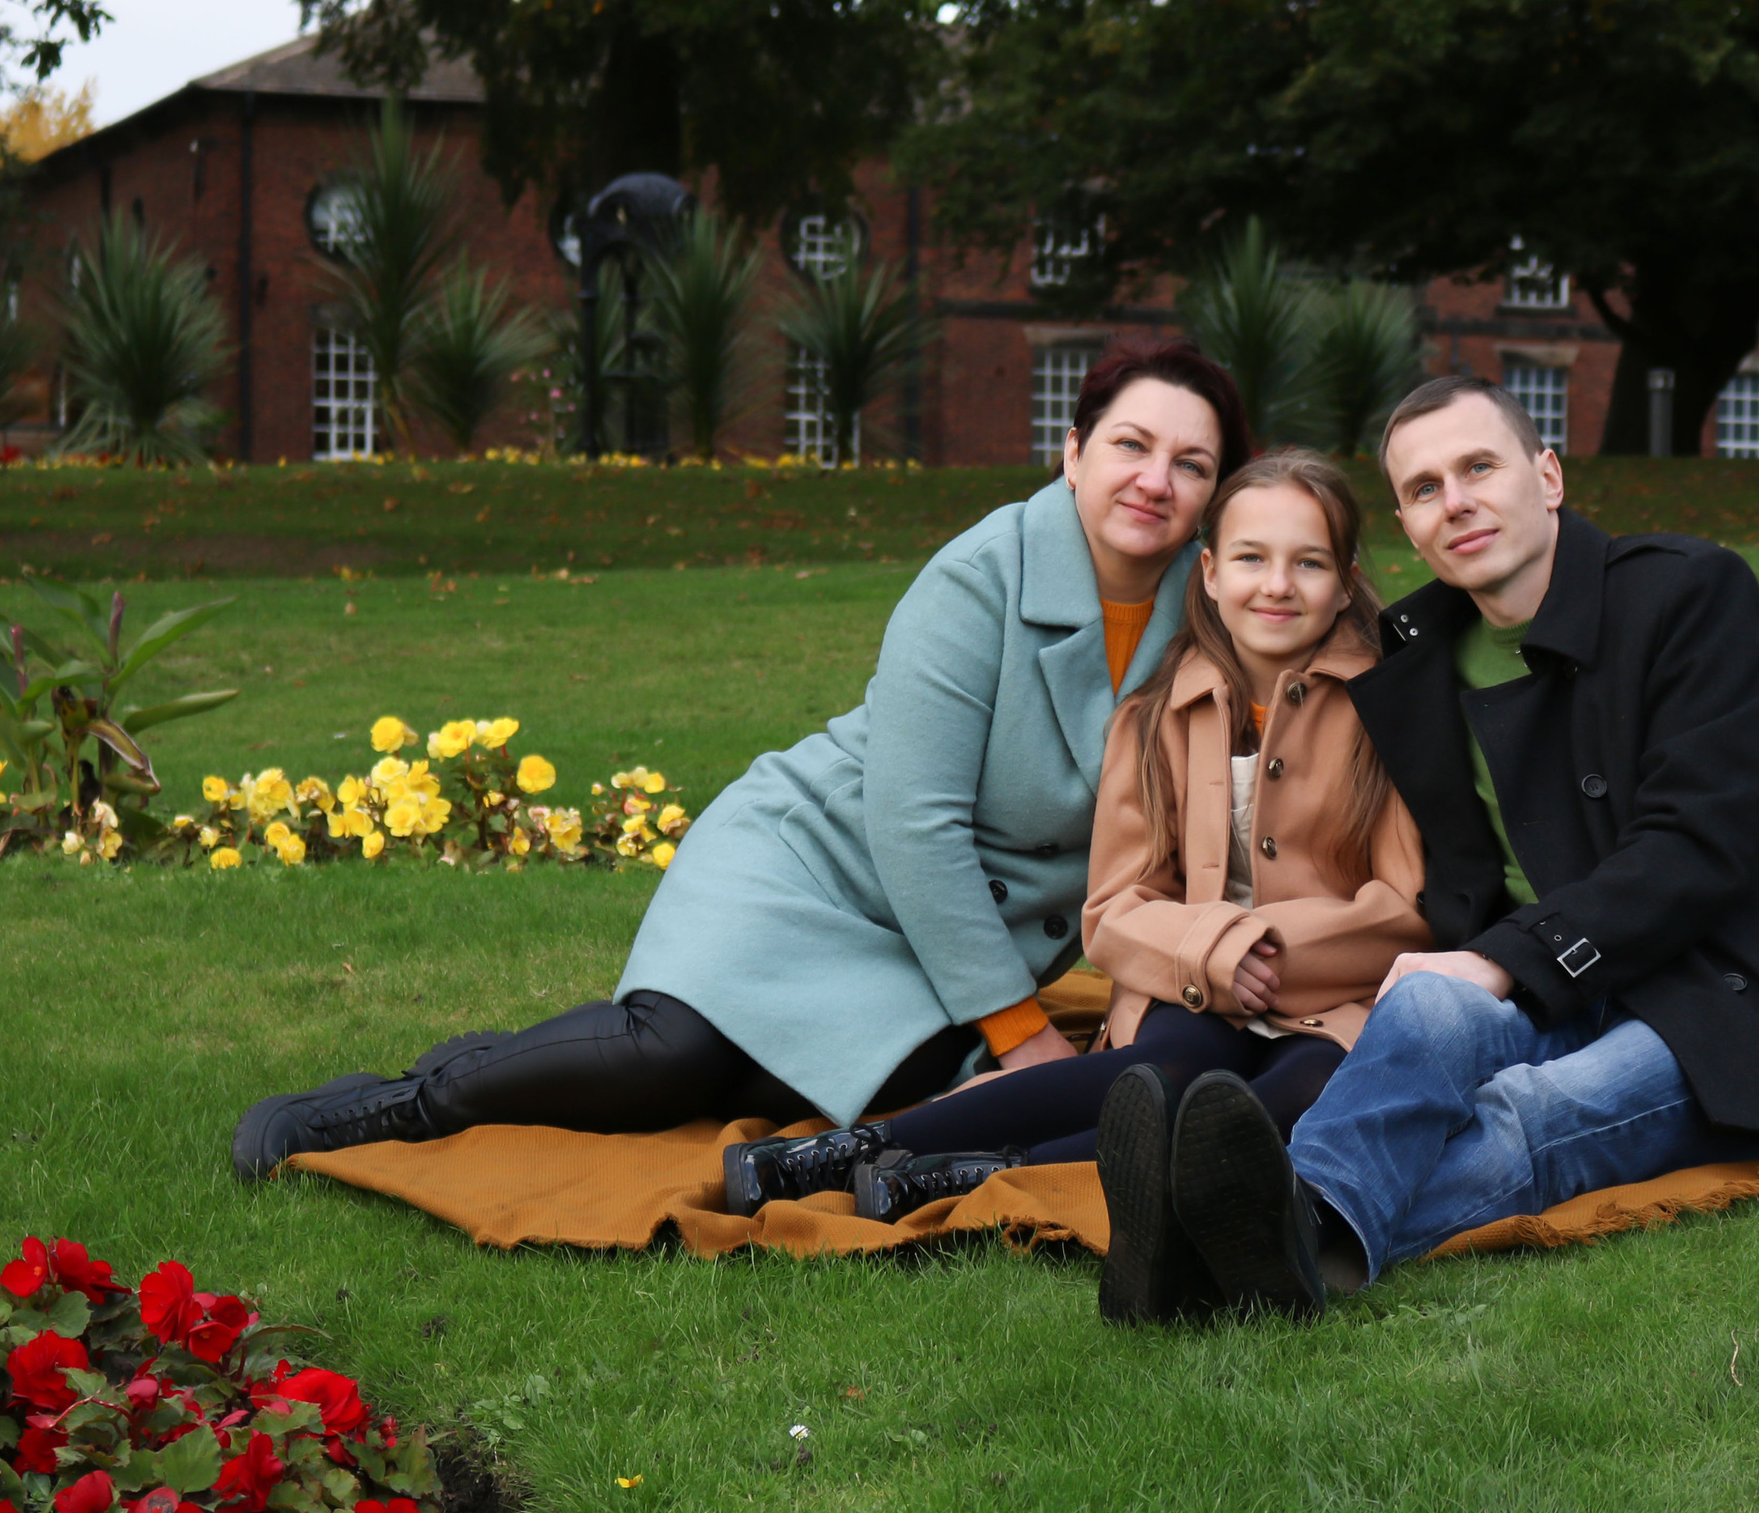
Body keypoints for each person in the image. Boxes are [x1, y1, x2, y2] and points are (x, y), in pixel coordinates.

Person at [230, 342, 1250, 1179]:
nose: (1155, 481)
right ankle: (403, 1103)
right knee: (673, 1061)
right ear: (1073, 452)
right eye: (1130, 445)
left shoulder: (1210, 613)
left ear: (1212, 496)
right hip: (814, 864)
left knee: (797, 1085)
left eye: (1191, 464)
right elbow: (913, 823)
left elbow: (1196, 820)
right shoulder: (978, 577)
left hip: (941, 939)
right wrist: (1024, 1038)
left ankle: (485, 1068)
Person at [1093, 373, 1759, 1320]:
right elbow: (1453, 874)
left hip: (1726, 994)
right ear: (1409, 529)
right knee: (1422, 1018)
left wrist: (1501, 962)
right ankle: (1269, 1244)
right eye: (1422, 489)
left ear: (1548, 475)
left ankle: (1251, 1251)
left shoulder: (1689, 593)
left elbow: (1698, 846)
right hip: (1561, 982)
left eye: (1478, 467)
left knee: (1535, 1108)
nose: (1455, 502)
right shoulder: (1419, 654)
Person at [718, 452, 1431, 1252]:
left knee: (1272, 1111)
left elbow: (1409, 909)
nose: (1277, 584)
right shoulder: (1155, 716)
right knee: (1158, 1078)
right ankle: (849, 1152)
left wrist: (1264, 949)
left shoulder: (1391, 710)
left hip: (1330, 1003)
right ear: (1208, 572)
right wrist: (1210, 951)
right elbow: (1114, 911)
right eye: (1251, 559)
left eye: (1308, 563)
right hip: (1187, 985)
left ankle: (972, 1173)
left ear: (1344, 582)